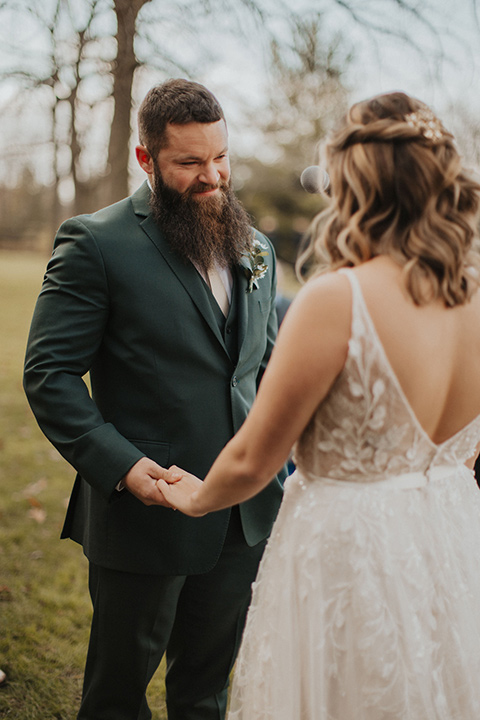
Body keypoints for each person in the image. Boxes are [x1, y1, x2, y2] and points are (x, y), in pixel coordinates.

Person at [157, 91, 480, 719]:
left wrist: (192, 497)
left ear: (352, 189)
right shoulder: (475, 299)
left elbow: (254, 457)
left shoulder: (338, 299)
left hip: (351, 553)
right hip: (450, 545)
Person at [23, 78, 285, 720]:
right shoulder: (96, 242)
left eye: (220, 157)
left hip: (243, 512)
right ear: (146, 160)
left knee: (206, 693)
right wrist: (123, 468)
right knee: (117, 696)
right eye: (190, 163)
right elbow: (50, 373)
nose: (213, 177)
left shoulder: (258, 249)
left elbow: (264, 368)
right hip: (148, 507)